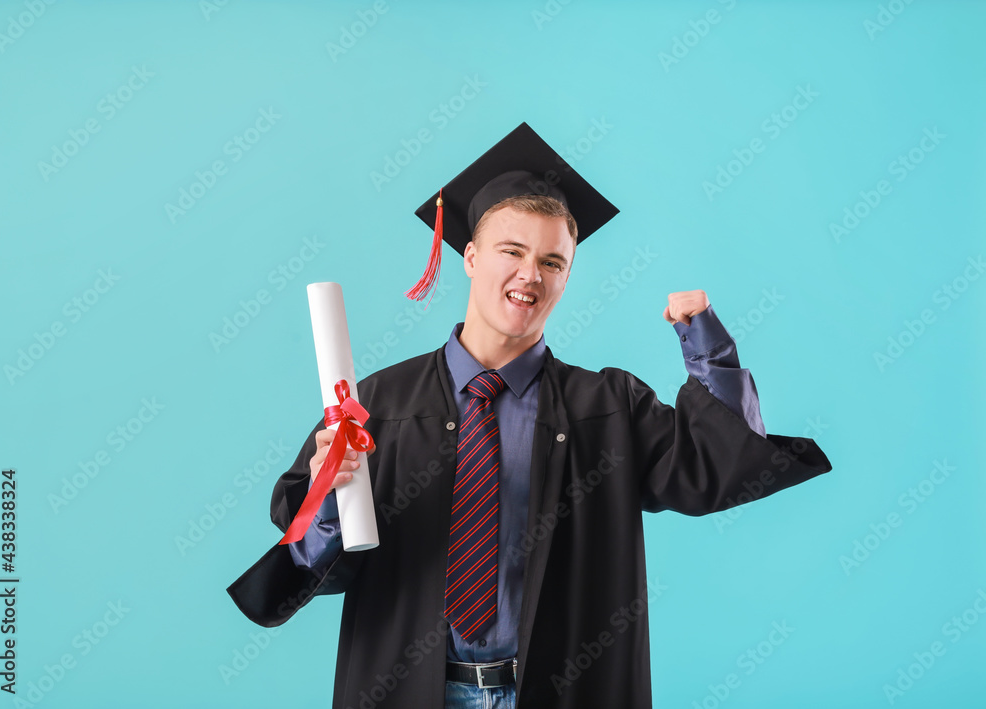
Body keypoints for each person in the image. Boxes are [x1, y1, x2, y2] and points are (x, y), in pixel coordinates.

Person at [228, 123, 831, 709]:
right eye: (511, 251)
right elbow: (311, 564)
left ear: (568, 276)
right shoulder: (378, 408)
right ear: (468, 256)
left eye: (552, 261)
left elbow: (720, 465)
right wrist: (329, 500)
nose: (529, 275)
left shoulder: (608, 408)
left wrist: (706, 344)